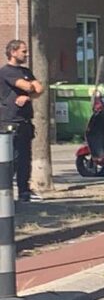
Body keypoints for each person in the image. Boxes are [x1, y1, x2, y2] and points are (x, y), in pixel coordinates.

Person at [0, 40, 43, 201]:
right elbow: (28, 86)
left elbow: (39, 89)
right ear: (13, 52)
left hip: (25, 121)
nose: (26, 54)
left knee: (25, 158)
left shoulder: (26, 71)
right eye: (23, 51)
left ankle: (24, 192)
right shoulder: (6, 72)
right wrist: (30, 88)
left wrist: (28, 95)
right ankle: (5, 192)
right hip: (10, 122)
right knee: (10, 159)